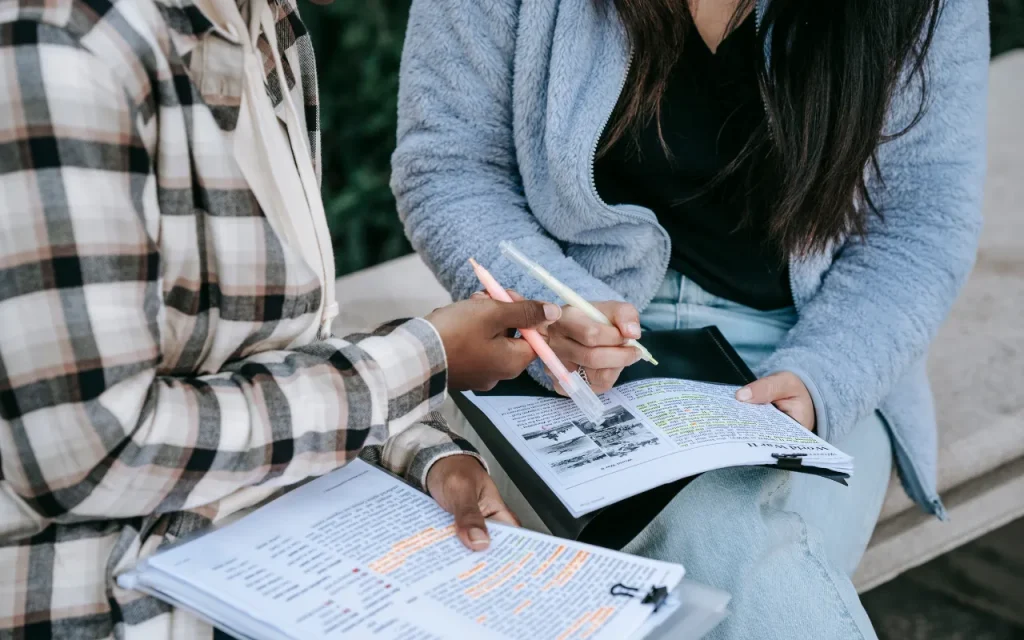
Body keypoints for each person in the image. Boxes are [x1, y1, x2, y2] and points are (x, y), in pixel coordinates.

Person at [393, 0, 988, 637]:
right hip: (563, 349)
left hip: (815, 345)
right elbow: (450, 169)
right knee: (725, 551)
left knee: (713, 551)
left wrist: (823, 380)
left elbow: (922, 222)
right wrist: (556, 310)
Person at [0, 0, 564, 636]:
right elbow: (86, 452)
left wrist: (426, 454)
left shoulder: (270, 23)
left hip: (276, 556)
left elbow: (273, 357)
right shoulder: (63, 43)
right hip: (118, 600)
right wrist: (423, 361)